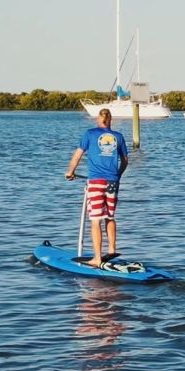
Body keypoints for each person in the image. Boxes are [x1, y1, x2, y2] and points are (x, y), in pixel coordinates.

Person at [65, 108, 129, 267]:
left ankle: (97, 258)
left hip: (96, 181)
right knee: (110, 216)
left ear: (98, 120)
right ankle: (112, 248)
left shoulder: (90, 134)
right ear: (110, 120)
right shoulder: (118, 137)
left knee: (95, 220)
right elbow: (125, 161)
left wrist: (70, 172)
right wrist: (117, 175)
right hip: (113, 181)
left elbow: (77, 155)